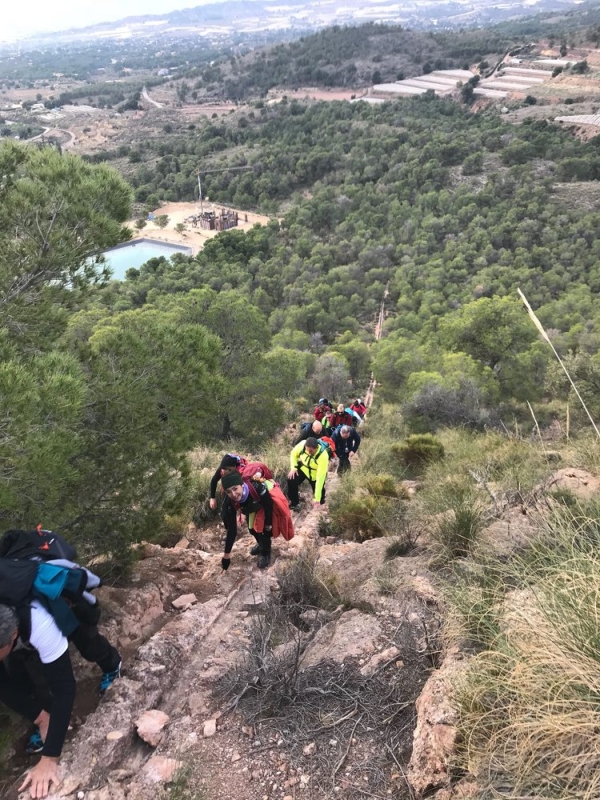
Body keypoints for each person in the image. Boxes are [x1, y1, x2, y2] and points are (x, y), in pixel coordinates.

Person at [0, 597, 121, 799]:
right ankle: (47, 719)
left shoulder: (39, 623)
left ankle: (112, 664)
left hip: (64, 605)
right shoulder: (7, 634)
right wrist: (41, 718)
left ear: (13, 634)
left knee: (89, 645)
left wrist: (49, 758)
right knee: (25, 676)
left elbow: (65, 687)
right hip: (20, 633)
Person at [220, 472, 293, 570]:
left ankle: (266, 553)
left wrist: (268, 525)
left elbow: (268, 505)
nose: (233, 494)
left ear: (242, 485)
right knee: (252, 529)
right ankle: (260, 544)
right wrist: (226, 556)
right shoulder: (229, 501)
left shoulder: (257, 487)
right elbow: (232, 530)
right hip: (251, 506)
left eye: (235, 488)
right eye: (228, 492)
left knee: (263, 531)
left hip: (263, 503)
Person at [287, 437, 330, 511]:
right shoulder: (302, 445)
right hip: (304, 468)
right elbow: (293, 454)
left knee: (320, 498)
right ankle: (295, 503)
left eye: (311, 451)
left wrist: (317, 498)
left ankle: (320, 505)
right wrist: (294, 467)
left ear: (316, 448)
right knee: (291, 479)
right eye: (307, 450)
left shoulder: (323, 456)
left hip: (315, 474)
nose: (308, 453)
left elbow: (320, 478)